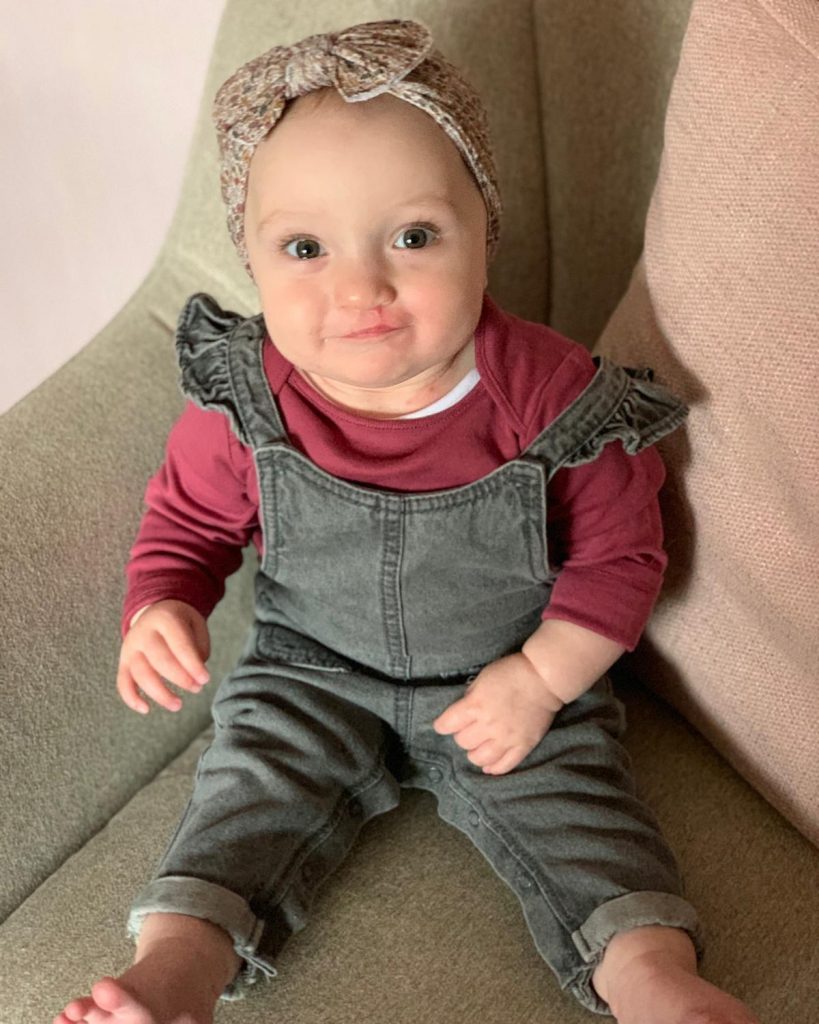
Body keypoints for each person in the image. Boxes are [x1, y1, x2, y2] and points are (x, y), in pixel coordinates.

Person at [55, 19, 759, 1024]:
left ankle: (655, 979)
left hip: (507, 673)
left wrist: (539, 679)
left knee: (585, 818)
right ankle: (175, 975)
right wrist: (162, 602)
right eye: (304, 247)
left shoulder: (553, 401)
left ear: (485, 231)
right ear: (251, 259)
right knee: (244, 794)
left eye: (415, 236)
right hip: (310, 669)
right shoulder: (245, 398)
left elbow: (622, 556)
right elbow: (187, 518)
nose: (361, 287)